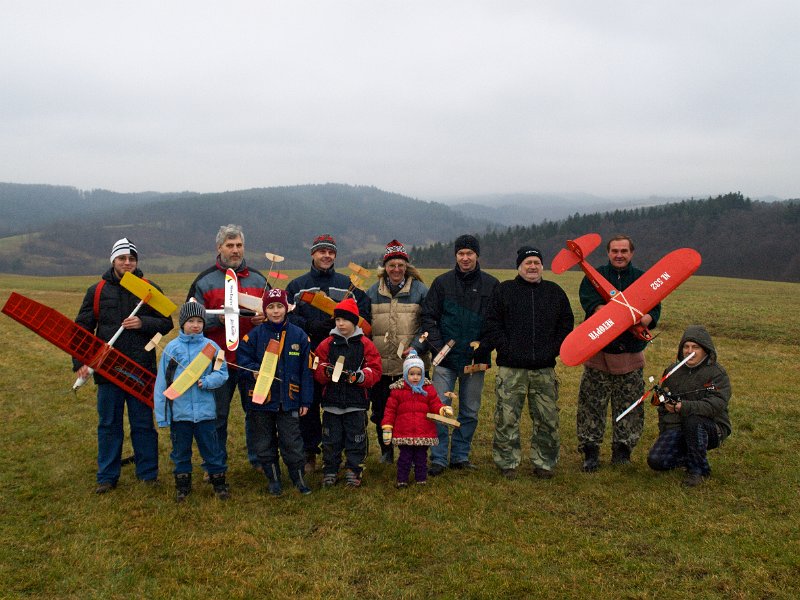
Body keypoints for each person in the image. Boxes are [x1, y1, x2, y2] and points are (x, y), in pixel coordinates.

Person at [73, 237, 174, 493]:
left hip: (140, 369)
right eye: (122, 258)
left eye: (131, 259)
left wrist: (143, 323)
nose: (127, 263)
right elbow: (81, 329)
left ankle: (148, 473)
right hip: (108, 369)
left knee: (143, 424)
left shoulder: (149, 289)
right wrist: (80, 363)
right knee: (109, 424)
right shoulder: (97, 291)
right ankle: (107, 476)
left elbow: (167, 322)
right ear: (113, 260)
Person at [481, 246, 574, 479]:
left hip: (544, 369)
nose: (532, 267)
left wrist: (552, 350)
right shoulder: (504, 291)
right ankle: (507, 462)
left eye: (536, 263)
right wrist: (506, 348)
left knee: (547, 419)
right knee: (506, 418)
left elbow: (566, 324)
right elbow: (492, 323)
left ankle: (544, 463)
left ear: (542, 266)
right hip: (511, 369)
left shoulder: (554, 292)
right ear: (519, 266)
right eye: (528, 263)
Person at [413, 234, 499, 476]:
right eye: (461, 253)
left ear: (477, 255)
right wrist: (440, 348)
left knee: (470, 410)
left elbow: (497, 322)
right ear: (455, 256)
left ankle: (461, 455)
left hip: (475, 361)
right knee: (440, 408)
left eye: (469, 253)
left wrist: (483, 348)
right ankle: (439, 458)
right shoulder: (442, 283)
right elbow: (429, 317)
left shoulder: (492, 285)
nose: (465, 258)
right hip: (445, 361)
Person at [286, 233, 371, 473]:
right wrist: (310, 326)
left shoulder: (348, 285)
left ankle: (342, 452)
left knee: (341, 404)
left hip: (344, 354)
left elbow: (365, 316)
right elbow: (288, 315)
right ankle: (309, 452)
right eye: (322, 251)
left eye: (331, 252)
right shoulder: (297, 286)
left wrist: (346, 327)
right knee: (309, 404)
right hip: (310, 354)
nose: (327, 256)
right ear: (313, 254)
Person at [186, 224, 268, 471]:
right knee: (216, 415)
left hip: (251, 360)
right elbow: (189, 319)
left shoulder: (258, 279)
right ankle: (214, 463)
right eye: (230, 245)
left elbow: (276, 312)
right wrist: (216, 320)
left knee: (256, 412)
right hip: (217, 361)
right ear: (219, 248)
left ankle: (259, 460)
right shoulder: (204, 281)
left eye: (239, 245)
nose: (235, 250)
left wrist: (264, 318)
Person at [576, 234, 661, 472]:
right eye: (615, 251)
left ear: (631, 253)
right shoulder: (594, 277)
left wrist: (645, 318)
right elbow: (592, 305)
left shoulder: (642, 278)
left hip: (630, 356)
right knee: (592, 406)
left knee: (629, 406)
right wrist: (617, 315)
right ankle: (590, 451)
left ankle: (623, 451)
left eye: (624, 251)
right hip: (599, 354)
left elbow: (654, 307)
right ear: (608, 253)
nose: (619, 255)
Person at [238, 288, 314, 496]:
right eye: (271, 307)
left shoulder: (299, 336)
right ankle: (273, 480)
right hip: (261, 401)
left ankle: (298, 479)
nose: (275, 311)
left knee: (292, 442)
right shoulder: (253, 336)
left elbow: (306, 371)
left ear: (287, 308)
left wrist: (305, 401)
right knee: (264, 442)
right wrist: (253, 370)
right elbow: (242, 362)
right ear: (265, 310)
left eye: (279, 306)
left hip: (289, 399)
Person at [154, 303, 230, 501]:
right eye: (191, 321)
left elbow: (222, 372)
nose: (195, 325)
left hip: (206, 413)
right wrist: (162, 416)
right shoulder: (171, 349)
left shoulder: (212, 347)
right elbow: (162, 383)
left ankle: (219, 483)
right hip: (180, 414)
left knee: (212, 449)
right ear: (182, 323)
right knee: (180, 452)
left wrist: (208, 381)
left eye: (199, 321)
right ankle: (183, 485)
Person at [366, 239, 429, 464]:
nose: (396, 269)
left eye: (400, 265)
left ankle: (409, 451)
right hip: (380, 366)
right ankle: (386, 450)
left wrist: (417, 346)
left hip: (411, 366)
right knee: (381, 412)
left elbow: (429, 325)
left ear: (406, 266)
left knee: (411, 412)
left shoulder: (421, 291)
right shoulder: (372, 292)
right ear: (385, 267)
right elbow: (364, 326)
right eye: (391, 265)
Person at [647, 325, 732, 487]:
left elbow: (716, 404)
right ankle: (690, 455)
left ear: (705, 350)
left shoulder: (717, 373)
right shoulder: (672, 371)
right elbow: (662, 406)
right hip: (677, 427)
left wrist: (682, 407)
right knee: (656, 461)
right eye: (686, 347)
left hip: (712, 427)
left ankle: (698, 470)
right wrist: (665, 426)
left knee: (693, 421)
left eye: (695, 347)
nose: (689, 351)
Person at [313, 298, 381, 488]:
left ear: (354, 322)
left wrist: (361, 377)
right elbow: (316, 365)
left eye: (345, 320)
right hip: (332, 402)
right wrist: (325, 372)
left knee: (356, 438)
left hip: (356, 403)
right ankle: (330, 469)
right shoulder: (327, 343)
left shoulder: (365, 344)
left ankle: (354, 469)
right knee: (330, 439)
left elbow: (375, 369)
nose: (341, 324)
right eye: (337, 320)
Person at [381, 350, 453, 488]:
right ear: (405, 374)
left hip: (422, 431)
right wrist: (387, 427)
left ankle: (421, 479)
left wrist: (442, 409)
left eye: (419, 374)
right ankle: (402, 480)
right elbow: (390, 410)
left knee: (421, 457)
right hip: (404, 431)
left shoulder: (428, 389)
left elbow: (435, 403)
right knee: (405, 457)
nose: (415, 377)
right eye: (412, 374)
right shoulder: (398, 391)